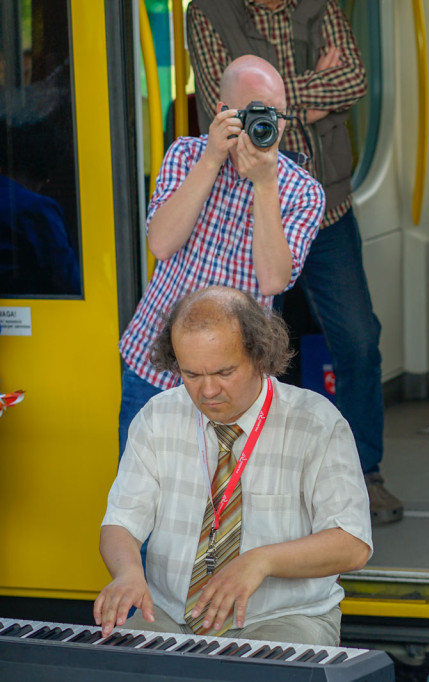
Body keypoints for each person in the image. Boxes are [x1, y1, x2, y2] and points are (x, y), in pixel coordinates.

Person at [186, 0, 403, 525]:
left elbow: (353, 78)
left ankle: (362, 475)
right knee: (245, 348)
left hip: (326, 207)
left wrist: (274, 96)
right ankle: (258, 482)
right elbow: (227, 101)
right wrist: (307, 96)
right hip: (249, 215)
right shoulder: (207, 13)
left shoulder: (321, 4)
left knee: (358, 340)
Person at [95, 286, 372, 646]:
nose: (207, 391)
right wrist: (128, 572)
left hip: (284, 618)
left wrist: (261, 561)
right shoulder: (157, 416)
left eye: (224, 372)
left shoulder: (316, 422)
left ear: (261, 356)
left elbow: (353, 544)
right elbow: (120, 522)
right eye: (191, 374)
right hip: (169, 616)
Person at [117, 56, 323, 461]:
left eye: (277, 114)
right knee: (142, 502)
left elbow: (273, 280)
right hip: (156, 363)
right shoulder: (186, 154)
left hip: (235, 375)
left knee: (222, 505)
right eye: (254, 113)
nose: (268, 125)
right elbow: (161, 243)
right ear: (222, 113)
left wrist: (265, 185)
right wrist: (211, 158)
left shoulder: (303, 191)